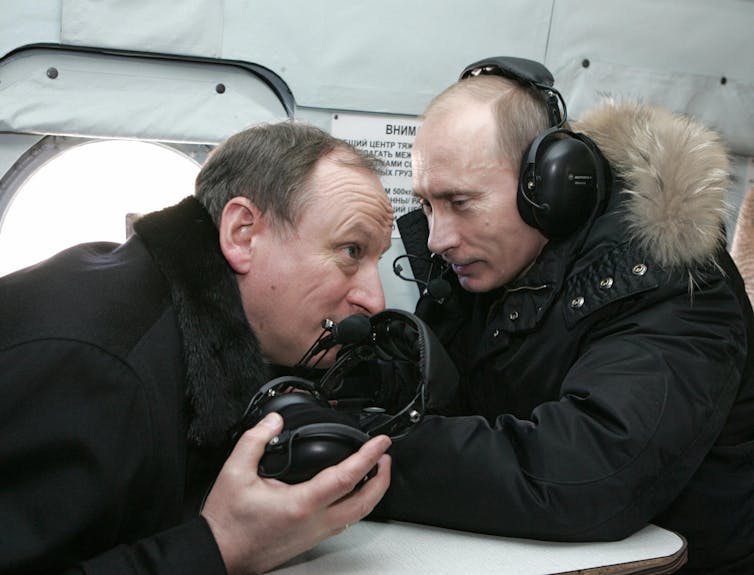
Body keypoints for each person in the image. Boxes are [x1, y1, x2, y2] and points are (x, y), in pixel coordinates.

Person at [374, 56, 754, 574]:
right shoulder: (487, 268)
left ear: (552, 187)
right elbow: (443, 395)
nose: (438, 238)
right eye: (428, 205)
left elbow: (585, 474)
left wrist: (362, 453)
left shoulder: (676, 286)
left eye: (460, 202)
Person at [0, 121, 395, 575]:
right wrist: (224, 546)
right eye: (350, 251)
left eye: (376, 258)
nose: (375, 298)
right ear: (242, 234)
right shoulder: (96, 370)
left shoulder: (196, 315)